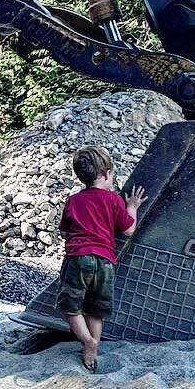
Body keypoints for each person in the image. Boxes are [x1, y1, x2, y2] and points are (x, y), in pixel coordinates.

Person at [57, 145, 145, 372]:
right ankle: (94, 345)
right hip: (105, 261)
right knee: (96, 309)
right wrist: (132, 206)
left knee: (70, 306)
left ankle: (87, 341)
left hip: (78, 258)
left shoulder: (74, 201)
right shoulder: (114, 200)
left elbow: (65, 232)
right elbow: (127, 230)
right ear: (106, 174)